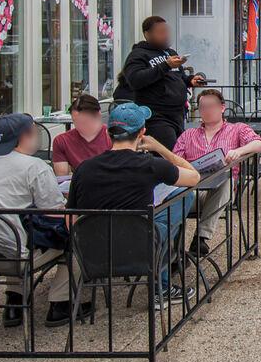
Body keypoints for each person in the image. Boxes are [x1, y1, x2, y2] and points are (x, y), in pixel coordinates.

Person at [0, 113, 86, 328]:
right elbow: (56, 211)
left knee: (12, 231)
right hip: (13, 256)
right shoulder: (33, 166)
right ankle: (61, 303)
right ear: (25, 136)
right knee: (78, 234)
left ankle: (14, 301)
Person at [67, 103, 202, 302]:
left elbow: (71, 218)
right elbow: (194, 177)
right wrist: (159, 148)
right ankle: (162, 286)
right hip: (140, 247)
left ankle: (162, 282)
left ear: (109, 133)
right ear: (142, 132)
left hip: (93, 252)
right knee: (183, 197)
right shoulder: (151, 165)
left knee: (155, 219)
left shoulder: (84, 169)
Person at [173, 88, 261, 255]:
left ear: (222, 108)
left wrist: (239, 151)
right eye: (203, 107)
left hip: (220, 191)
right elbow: (174, 163)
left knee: (226, 181)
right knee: (172, 198)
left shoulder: (237, 129)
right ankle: (173, 255)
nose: (207, 110)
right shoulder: (188, 135)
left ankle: (201, 237)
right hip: (191, 190)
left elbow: (258, 144)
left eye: (211, 106)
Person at [112, 15, 206, 148]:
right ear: (147, 34)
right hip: (156, 117)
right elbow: (135, 80)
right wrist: (165, 65)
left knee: (179, 151)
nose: (165, 35)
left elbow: (178, 77)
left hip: (177, 115)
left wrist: (190, 80)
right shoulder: (138, 54)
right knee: (168, 152)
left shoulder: (170, 53)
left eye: (166, 31)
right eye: (160, 32)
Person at [51, 92, 111, 177]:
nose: (79, 126)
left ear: (98, 116)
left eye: (84, 122)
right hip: (79, 183)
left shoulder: (112, 137)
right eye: (75, 121)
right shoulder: (62, 141)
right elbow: (62, 177)